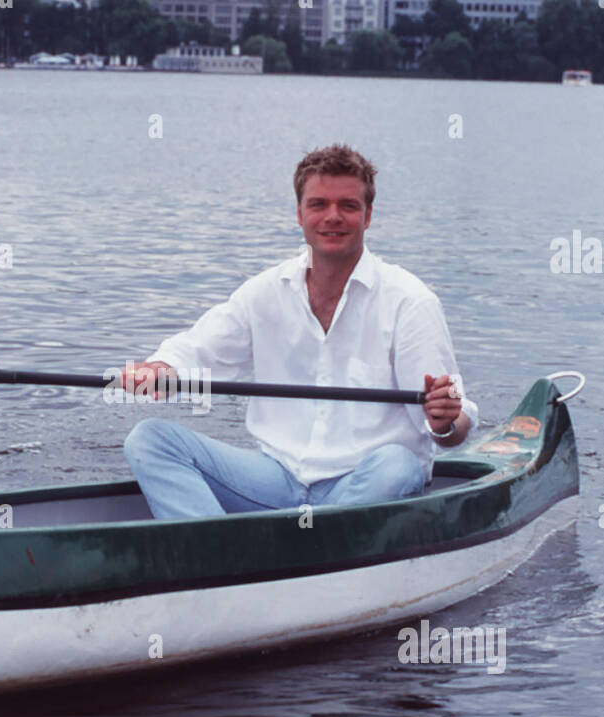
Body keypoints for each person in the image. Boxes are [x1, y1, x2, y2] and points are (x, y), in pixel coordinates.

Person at [120, 143, 478, 521]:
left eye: (349, 206)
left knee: (398, 466)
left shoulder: (411, 301)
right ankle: (215, 553)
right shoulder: (265, 290)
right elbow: (195, 352)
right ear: (299, 213)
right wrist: (159, 368)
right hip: (276, 480)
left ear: (368, 216)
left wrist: (444, 422)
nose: (333, 217)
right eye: (319, 204)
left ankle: (282, 549)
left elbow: (455, 420)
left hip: (364, 485)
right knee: (150, 440)